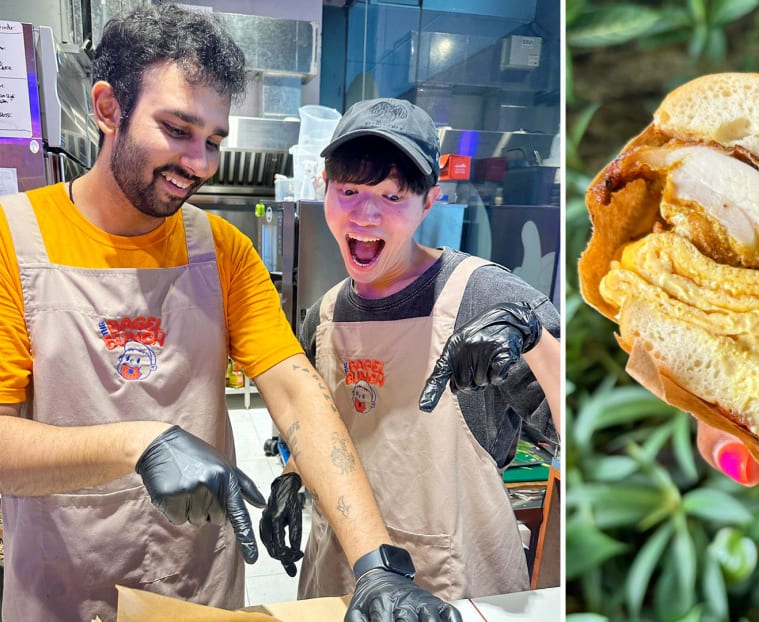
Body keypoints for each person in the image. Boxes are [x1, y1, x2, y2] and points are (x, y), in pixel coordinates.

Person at [0, 6, 458, 622]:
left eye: (214, 140)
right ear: (108, 108)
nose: (201, 163)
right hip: (62, 590)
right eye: (178, 129)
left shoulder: (221, 251)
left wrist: (376, 562)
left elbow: (296, 395)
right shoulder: (15, 242)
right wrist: (141, 443)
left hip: (197, 592)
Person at [259, 97, 561, 601]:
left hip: (451, 583)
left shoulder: (487, 298)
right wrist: (293, 474)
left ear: (429, 201)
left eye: (393, 196)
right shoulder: (325, 314)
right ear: (324, 189)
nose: (365, 213)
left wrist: (533, 339)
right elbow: (325, 427)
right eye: (349, 190)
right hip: (342, 576)